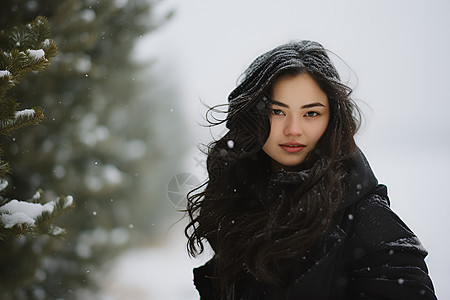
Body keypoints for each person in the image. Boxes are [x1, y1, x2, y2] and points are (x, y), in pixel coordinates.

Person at [185, 40, 437, 300]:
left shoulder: (368, 220)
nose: (293, 129)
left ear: (333, 119)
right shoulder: (241, 199)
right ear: (251, 115)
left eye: (311, 114)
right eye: (277, 111)